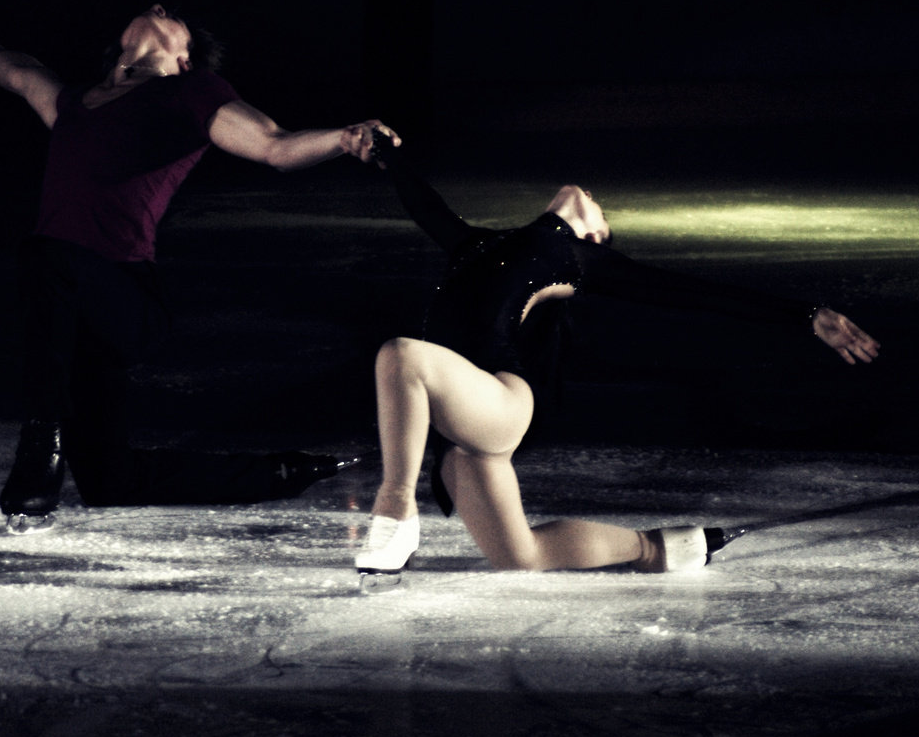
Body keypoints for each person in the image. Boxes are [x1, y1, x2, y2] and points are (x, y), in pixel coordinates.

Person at [0, 4, 399, 532]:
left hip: (126, 302)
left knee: (44, 255)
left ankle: (39, 445)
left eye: (175, 17)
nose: (160, 6)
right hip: (68, 315)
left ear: (184, 60)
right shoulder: (74, 104)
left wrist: (344, 139)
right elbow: (22, 73)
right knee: (109, 482)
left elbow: (272, 145)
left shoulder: (190, 92)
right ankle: (284, 471)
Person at [354, 133, 880, 576]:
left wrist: (805, 315)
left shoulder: (575, 258)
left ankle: (395, 504)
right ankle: (660, 547)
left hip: (500, 401)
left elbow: (693, 292)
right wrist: (387, 153)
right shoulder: (476, 244)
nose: (592, 198)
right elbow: (425, 204)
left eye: (601, 214)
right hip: (461, 430)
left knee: (402, 355)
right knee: (521, 557)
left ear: (596, 235)